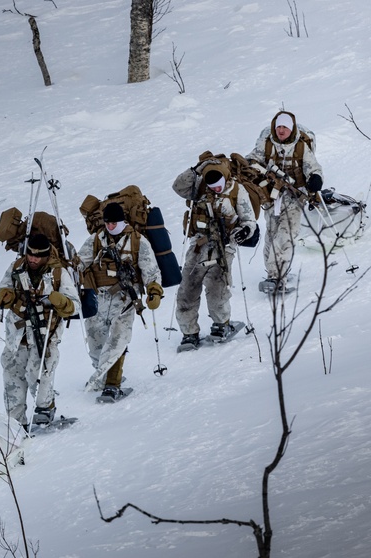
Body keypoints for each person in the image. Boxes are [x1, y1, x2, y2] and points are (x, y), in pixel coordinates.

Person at [0, 230, 80, 430]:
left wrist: (60, 300)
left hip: (44, 335)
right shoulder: (16, 268)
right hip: (16, 335)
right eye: (30, 254)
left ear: (46, 255)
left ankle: (45, 407)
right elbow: (2, 289)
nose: (32, 258)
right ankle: (16, 423)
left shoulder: (58, 273)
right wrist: (4, 296)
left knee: (38, 374)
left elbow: (75, 305)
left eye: (37, 255)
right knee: (12, 376)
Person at [77, 201, 163, 402]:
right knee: (96, 342)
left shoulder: (137, 241)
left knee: (117, 339)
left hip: (124, 298)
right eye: (107, 223)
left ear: (122, 221)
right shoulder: (95, 240)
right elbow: (80, 263)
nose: (110, 226)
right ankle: (104, 372)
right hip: (99, 297)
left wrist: (154, 290)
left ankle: (112, 385)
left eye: (114, 223)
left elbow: (151, 270)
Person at [171, 159, 257, 349]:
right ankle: (189, 332)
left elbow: (249, 220)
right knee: (187, 287)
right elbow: (177, 187)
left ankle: (221, 324)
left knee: (217, 287)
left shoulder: (236, 190)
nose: (216, 189)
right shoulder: (198, 186)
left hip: (224, 245)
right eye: (212, 186)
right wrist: (195, 170)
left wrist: (244, 231)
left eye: (218, 185)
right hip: (198, 245)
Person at [245, 110, 323, 292]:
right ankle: (274, 273)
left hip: (295, 195)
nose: (281, 130)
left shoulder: (301, 146)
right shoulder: (266, 144)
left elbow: (314, 167)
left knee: (286, 233)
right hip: (271, 195)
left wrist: (315, 178)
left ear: (291, 128)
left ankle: (277, 275)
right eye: (278, 126)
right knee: (272, 232)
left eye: (285, 127)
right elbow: (251, 159)